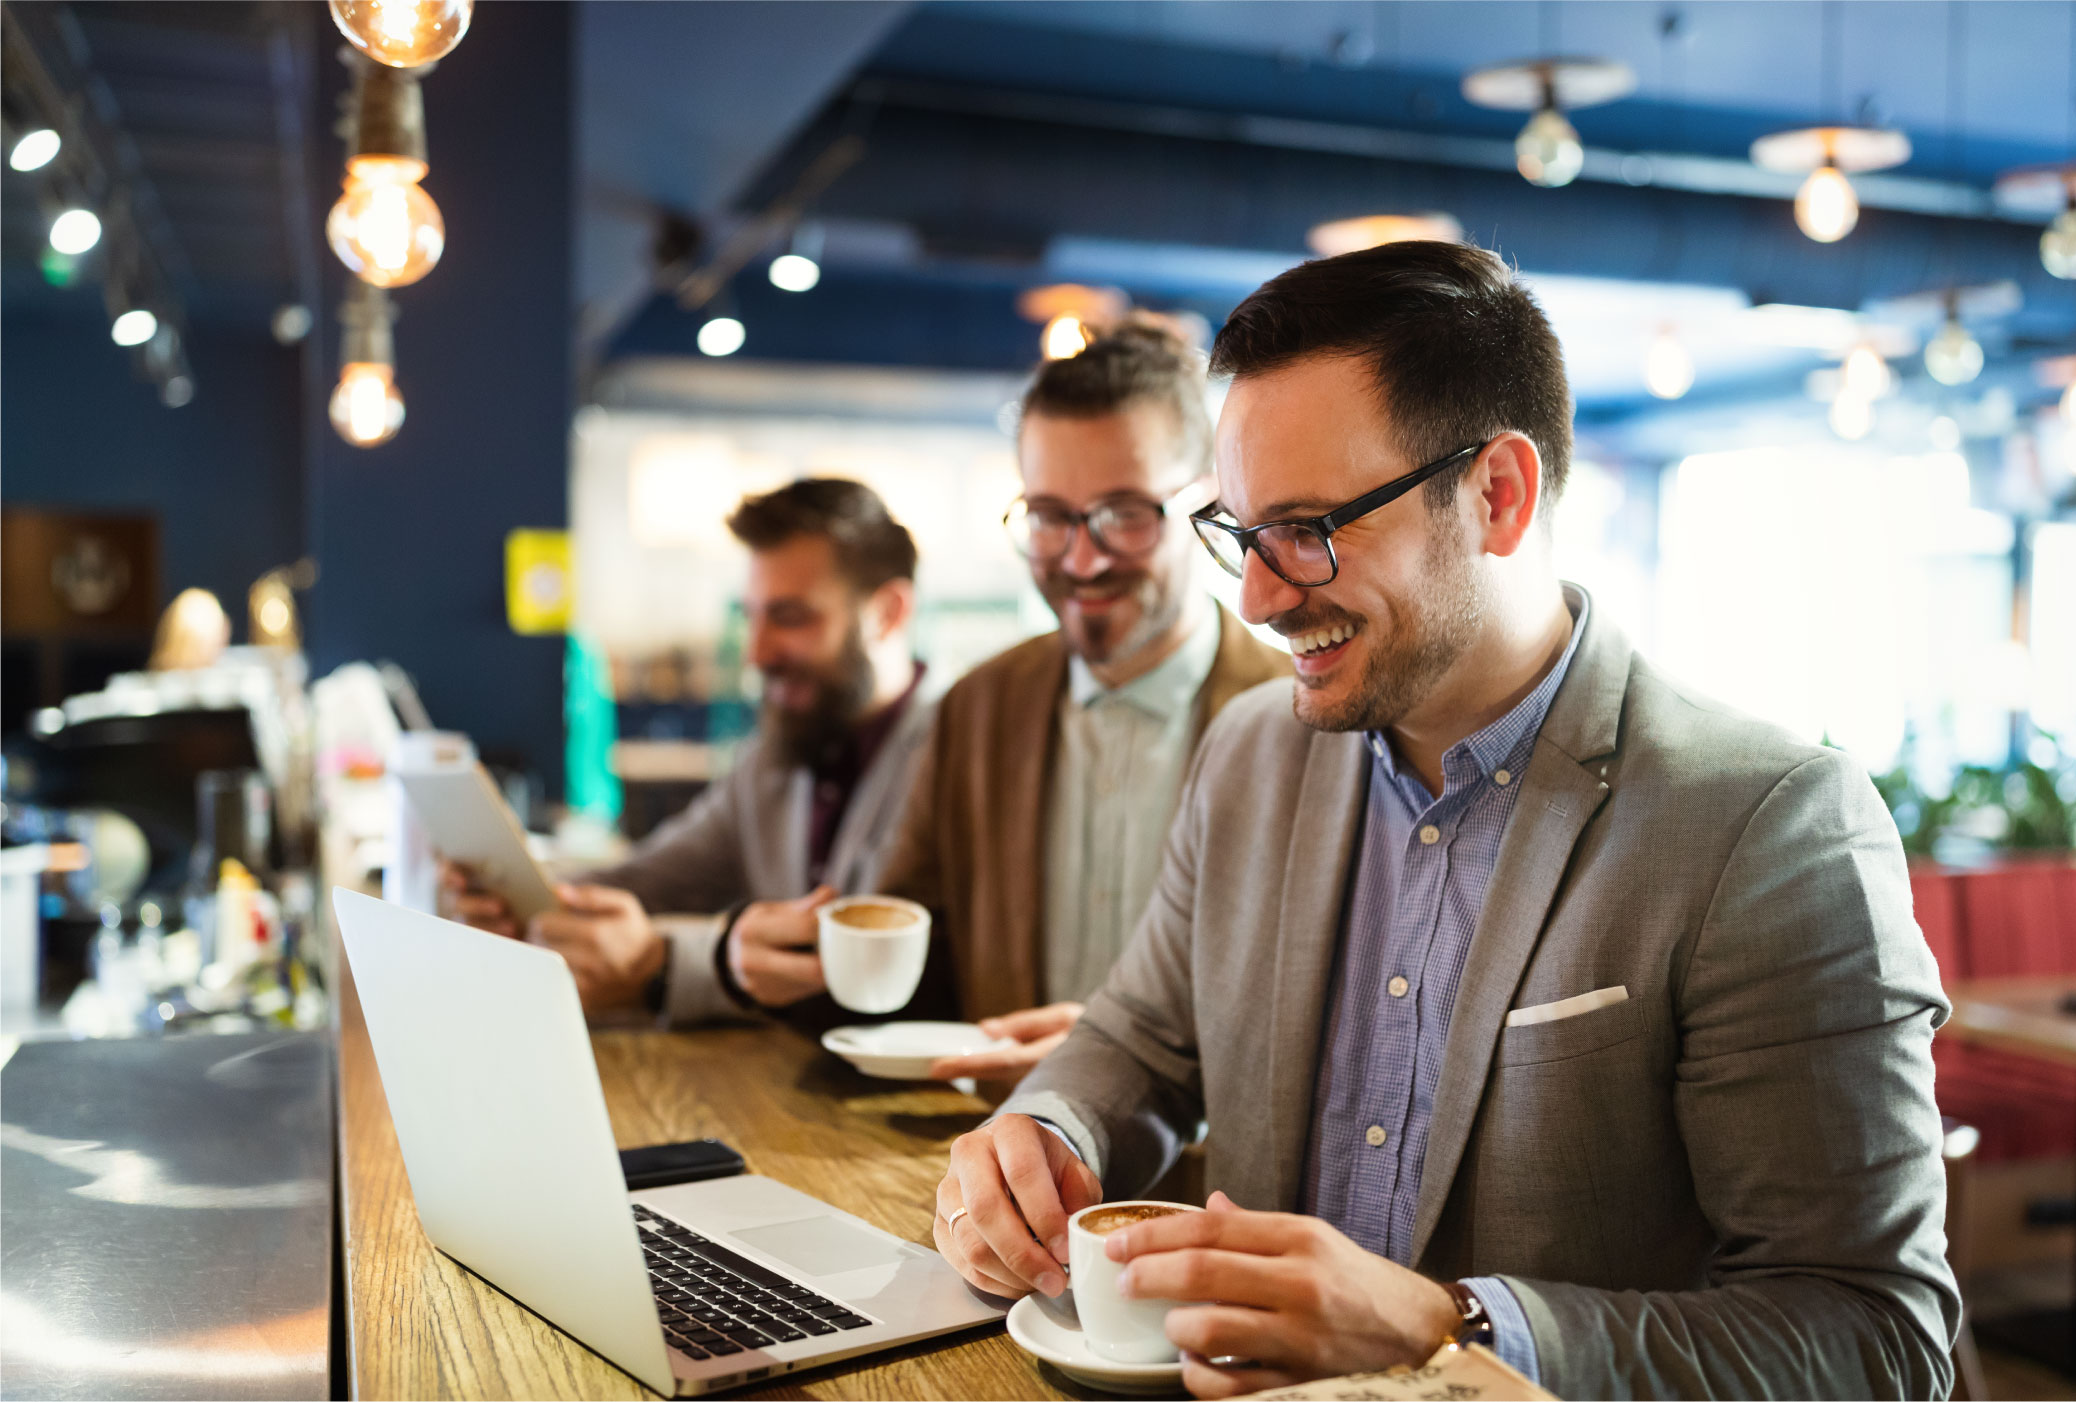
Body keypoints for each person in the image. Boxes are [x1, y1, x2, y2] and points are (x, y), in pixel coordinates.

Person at [930, 243, 1958, 1400]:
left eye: (1310, 527)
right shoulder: (1250, 757)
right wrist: (1047, 1131)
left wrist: (1448, 1327)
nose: (1260, 598)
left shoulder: (1768, 825)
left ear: (1498, 496)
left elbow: (1872, 1335)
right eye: (1240, 529)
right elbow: (1138, 1039)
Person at [727, 318, 1289, 1076]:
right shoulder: (981, 708)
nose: (1081, 560)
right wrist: (773, 962)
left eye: (1124, 515)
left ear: (1208, 499)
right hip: (1004, 1167)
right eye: (1051, 518)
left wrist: (1133, 1058)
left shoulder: (1298, 720)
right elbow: (915, 959)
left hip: (1216, 1186)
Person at [442, 477, 935, 1022]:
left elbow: (853, 966)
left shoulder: (956, 752)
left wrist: (666, 956)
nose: (756, 651)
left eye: (791, 617)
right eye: (753, 615)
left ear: (889, 612)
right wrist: (515, 898)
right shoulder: (777, 756)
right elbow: (655, 876)